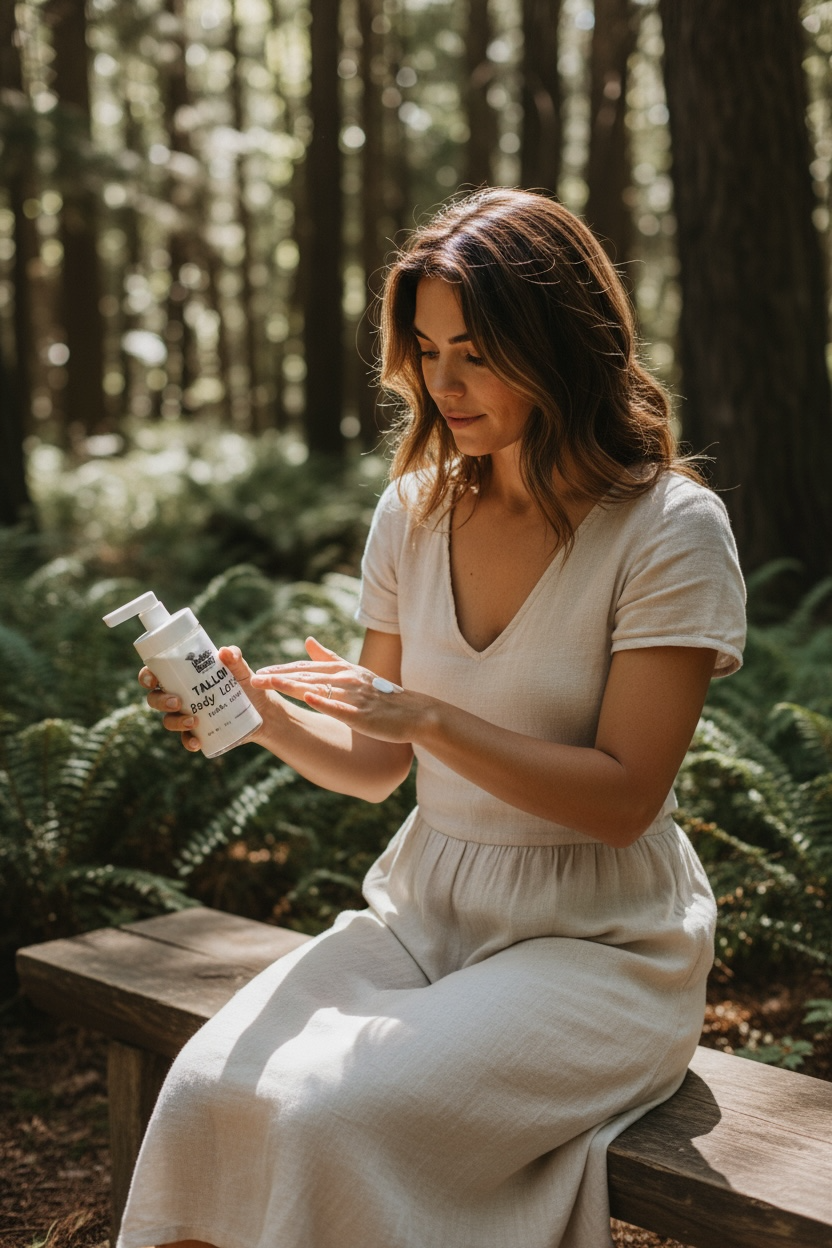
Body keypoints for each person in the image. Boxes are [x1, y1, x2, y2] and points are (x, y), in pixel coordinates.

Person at [120, 187, 745, 1248]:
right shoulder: (413, 512)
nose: (442, 385)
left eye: (475, 353)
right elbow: (372, 767)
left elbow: (624, 800)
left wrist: (431, 720)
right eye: (425, 350)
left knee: (327, 1118)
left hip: (602, 945)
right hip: (421, 917)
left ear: (559, 345)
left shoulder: (668, 530)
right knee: (202, 1093)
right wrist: (259, 713)